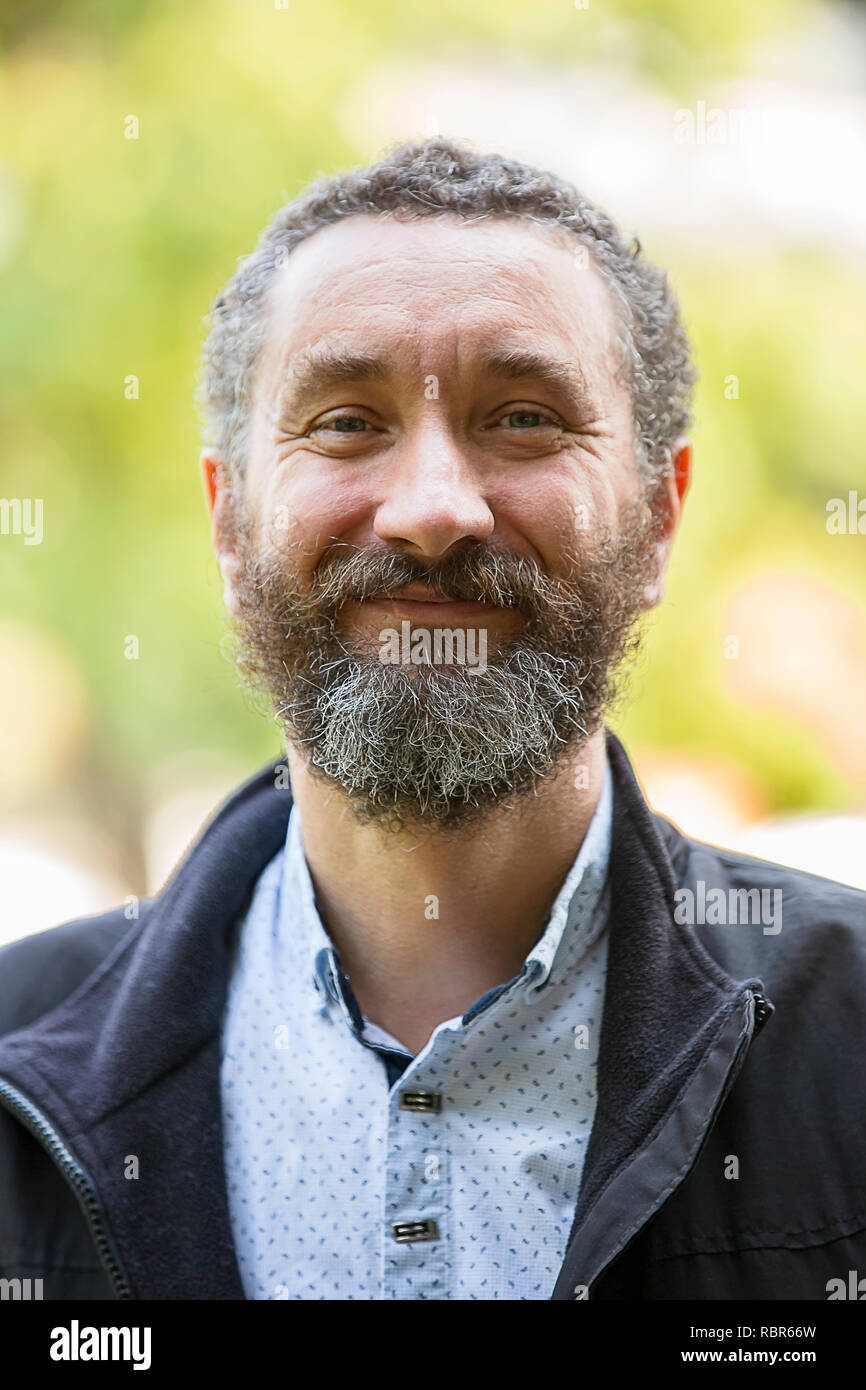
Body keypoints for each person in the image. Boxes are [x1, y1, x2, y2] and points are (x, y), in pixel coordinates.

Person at [1, 138, 864, 1302]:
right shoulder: (16, 1061)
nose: (430, 512)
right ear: (228, 520)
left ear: (659, 516)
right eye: (346, 423)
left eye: (519, 418)